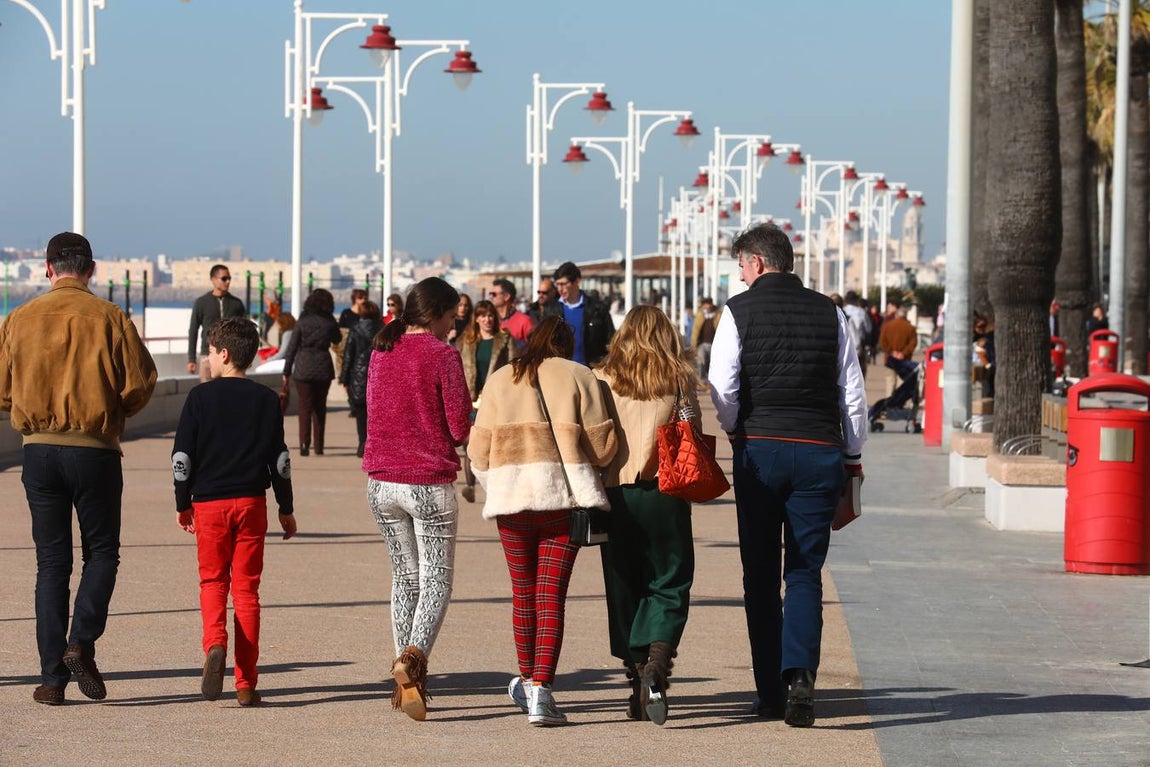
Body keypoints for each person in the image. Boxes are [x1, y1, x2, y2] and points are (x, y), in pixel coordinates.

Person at [708, 223, 866, 728]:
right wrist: (852, 454)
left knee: (759, 572)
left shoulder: (737, 311)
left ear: (756, 262)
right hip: (819, 450)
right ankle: (801, 677)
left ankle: (769, 691)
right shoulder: (832, 312)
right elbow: (852, 393)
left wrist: (737, 432)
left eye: (740, 266)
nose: (739, 275)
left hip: (761, 450)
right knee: (803, 570)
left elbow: (723, 386)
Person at [0, 232, 157, 705]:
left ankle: (51, 679)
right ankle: (80, 641)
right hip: (95, 449)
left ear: (48, 269)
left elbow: (2, 389)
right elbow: (141, 383)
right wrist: (111, 411)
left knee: (50, 564)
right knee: (102, 552)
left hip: (38, 451)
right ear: (91, 270)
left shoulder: (19, 319)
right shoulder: (110, 317)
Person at [467, 315, 617, 727]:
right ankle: (541, 691)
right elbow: (603, 448)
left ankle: (528, 681)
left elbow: (477, 451)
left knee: (522, 593)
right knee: (551, 595)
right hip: (560, 500)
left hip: (513, 501)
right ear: (567, 343)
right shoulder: (579, 375)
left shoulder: (500, 379)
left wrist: (497, 479)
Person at [171, 318, 297, 707]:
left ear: (224, 355)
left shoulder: (199, 398)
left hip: (208, 504)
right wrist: (286, 508)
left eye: (210, 351)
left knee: (213, 583)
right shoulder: (265, 400)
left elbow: (181, 457)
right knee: (247, 591)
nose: (209, 357)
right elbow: (279, 459)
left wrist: (181, 501)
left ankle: (214, 644)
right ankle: (246, 683)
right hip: (250, 504)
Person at [363, 277, 471, 721]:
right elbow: (461, 426)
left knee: (404, 577)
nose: (452, 327)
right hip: (427, 481)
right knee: (436, 581)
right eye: (451, 318)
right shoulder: (443, 356)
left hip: (381, 481)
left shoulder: (380, 351)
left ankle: (408, 677)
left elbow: (371, 408)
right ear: (440, 315)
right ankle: (412, 660)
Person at [594, 306, 702, 726]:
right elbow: (689, 426)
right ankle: (658, 659)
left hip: (615, 492)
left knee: (623, 584)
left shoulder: (601, 378)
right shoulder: (676, 378)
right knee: (670, 579)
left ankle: (636, 675)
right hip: (665, 489)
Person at [457, 299, 517, 503]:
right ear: (476, 319)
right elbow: (459, 369)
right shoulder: (467, 341)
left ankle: (494, 487)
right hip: (472, 399)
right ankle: (470, 485)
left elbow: (513, 367)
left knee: (494, 444)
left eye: (490, 315)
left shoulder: (505, 339)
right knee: (471, 443)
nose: (487, 319)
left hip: (496, 399)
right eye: (482, 315)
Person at [283, 288, 341, 456]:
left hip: (303, 367)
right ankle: (319, 446)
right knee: (320, 407)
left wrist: (286, 371)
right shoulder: (329, 322)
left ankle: (304, 444)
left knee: (305, 406)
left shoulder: (302, 321)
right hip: (323, 366)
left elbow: (291, 348)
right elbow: (337, 339)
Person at [541, 261, 615, 366]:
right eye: (557, 284)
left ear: (576, 281)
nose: (560, 289)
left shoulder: (597, 309)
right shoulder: (550, 310)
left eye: (564, 284)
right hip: (561, 370)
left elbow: (610, 340)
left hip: (592, 369)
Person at [187, 265, 247, 381]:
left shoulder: (237, 304)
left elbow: (245, 331)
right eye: (224, 278)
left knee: (230, 395)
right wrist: (191, 359)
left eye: (229, 278)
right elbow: (193, 330)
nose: (228, 282)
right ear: (213, 279)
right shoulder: (201, 303)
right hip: (208, 357)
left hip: (232, 359)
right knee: (206, 395)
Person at [340, 300, 384, 458]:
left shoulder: (355, 329)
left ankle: (362, 443)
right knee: (376, 415)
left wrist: (344, 378)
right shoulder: (382, 329)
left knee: (360, 414)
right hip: (378, 375)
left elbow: (348, 355)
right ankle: (373, 445)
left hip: (358, 376)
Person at [878, 305, 918, 387]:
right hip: (905, 360)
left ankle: (889, 399)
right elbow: (913, 343)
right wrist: (903, 353)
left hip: (890, 359)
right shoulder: (910, 328)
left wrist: (891, 352)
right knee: (901, 384)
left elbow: (882, 342)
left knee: (890, 383)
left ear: (896, 315)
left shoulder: (887, 326)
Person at [489, 278, 535, 344]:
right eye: (490, 294)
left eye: (494, 294)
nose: (491, 297)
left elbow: (533, 347)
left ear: (506, 296)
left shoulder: (524, 321)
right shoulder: (487, 320)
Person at [690, 297, 722, 385]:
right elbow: (695, 331)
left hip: (714, 344)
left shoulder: (718, 315)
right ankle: (702, 380)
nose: (707, 308)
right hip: (702, 344)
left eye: (708, 307)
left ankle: (712, 381)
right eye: (705, 307)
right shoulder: (700, 315)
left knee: (712, 363)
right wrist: (694, 345)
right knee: (701, 361)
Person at [842, 291, 873, 378]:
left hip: (843, 344)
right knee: (859, 371)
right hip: (859, 346)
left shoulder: (841, 311)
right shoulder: (862, 312)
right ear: (856, 300)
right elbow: (868, 329)